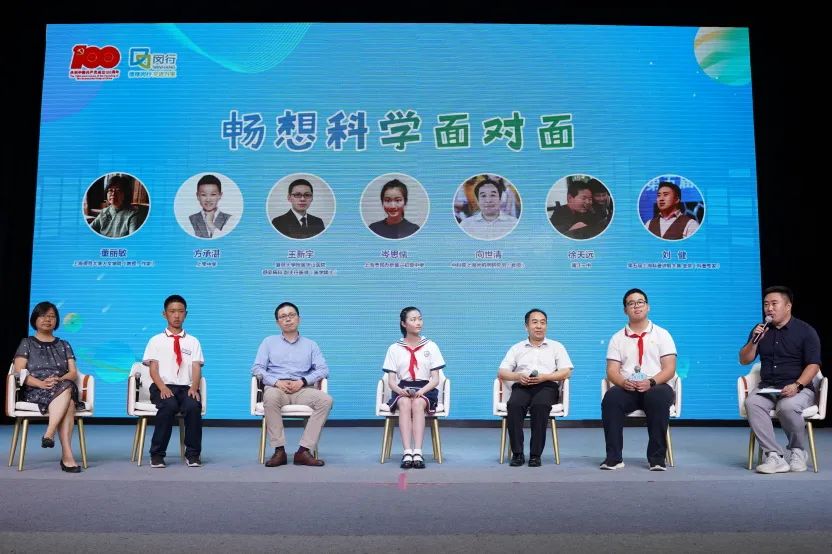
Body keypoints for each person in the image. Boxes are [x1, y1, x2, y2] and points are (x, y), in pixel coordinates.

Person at [739, 286, 821, 474]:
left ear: (788, 306)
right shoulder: (760, 330)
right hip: (768, 388)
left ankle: (798, 451)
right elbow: (744, 360)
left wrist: (797, 385)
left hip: (799, 388)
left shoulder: (805, 331)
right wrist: (754, 341)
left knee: (787, 406)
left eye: (774, 304)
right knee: (752, 403)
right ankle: (774, 455)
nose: (769, 308)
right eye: (766, 304)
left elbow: (813, 365)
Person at [601, 288, 677, 471]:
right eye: (631, 303)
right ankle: (614, 458)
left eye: (640, 302)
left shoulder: (662, 334)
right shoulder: (617, 338)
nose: (636, 306)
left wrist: (651, 382)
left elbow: (669, 368)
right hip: (628, 387)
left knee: (657, 397)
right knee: (611, 398)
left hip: (657, 385)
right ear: (625, 310)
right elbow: (611, 370)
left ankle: (657, 458)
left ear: (648, 307)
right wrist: (622, 382)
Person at [252, 302, 333, 467]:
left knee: (326, 401)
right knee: (270, 397)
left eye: (291, 315)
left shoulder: (311, 345)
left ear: (299, 319)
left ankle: (304, 451)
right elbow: (257, 368)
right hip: (277, 388)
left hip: (302, 389)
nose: (288, 319)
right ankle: (279, 450)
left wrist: (302, 381)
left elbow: (323, 369)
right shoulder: (268, 342)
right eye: (283, 317)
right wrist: (276, 382)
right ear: (277, 322)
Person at [13, 302, 85, 472]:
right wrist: (41, 383)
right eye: (43, 316)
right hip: (36, 390)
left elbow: (73, 373)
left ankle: (50, 434)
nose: (47, 319)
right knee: (69, 403)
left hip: (61, 386)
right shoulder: (27, 343)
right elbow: (19, 372)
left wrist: (58, 379)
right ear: (35, 319)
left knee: (66, 386)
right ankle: (67, 456)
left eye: (51, 316)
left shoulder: (64, 344)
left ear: (56, 320)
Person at [497, 308, 573, 467]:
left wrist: (546, 376)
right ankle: (517, 454)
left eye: (543, 322)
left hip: (546, 386)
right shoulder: (517, 348)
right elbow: (502, 372)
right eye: (535, 322)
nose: (539, 326)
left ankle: (535, 455)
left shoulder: (556, 347)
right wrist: (518, 376)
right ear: (526, 326)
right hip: (523, 385)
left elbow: (567, 371)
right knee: (514, 405)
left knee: (540, 406)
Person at [142, 294, 204, 468]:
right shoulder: (156, 340)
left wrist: (194, 387)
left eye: (180, 311)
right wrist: (162, 387)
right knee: (168, 406)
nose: (176, 315)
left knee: (193, 407)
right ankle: (157, 454)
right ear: (165, 314)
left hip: (186, 387)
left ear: (186, 314)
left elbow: (196, 367)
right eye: (172, 311)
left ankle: (193, 454)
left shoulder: (193, 341)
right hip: (162, 386)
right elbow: (153, 369)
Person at [383, 307, 446, 469]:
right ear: (403, 324)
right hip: (403, 388)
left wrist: (421, 392)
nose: (418, 323)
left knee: (418, 403)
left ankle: (417, 452)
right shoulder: (394, 348)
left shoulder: (431, 346)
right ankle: (407, 452)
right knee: (404, 403)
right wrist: (400, 391)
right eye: (413, 319)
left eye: (420, 318)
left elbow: (435, 379)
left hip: (426, 388)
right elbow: (391, 381)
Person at [189, 174, 232, 238]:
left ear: (220, 195)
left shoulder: (229, 219)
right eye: (203, 195)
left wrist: (209, 223)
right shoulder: (191, 219)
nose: (208, 199)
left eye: (213, 194)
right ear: (198, 196)